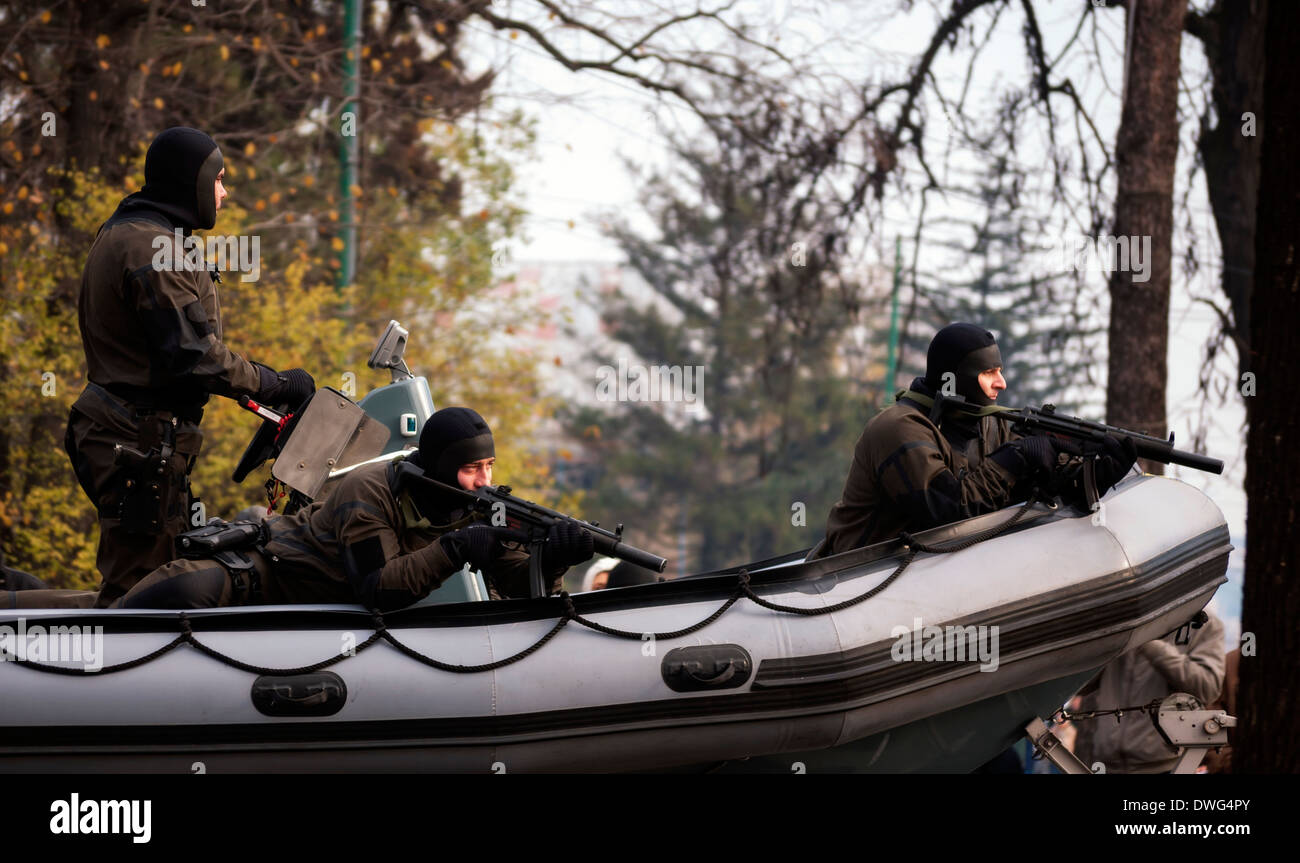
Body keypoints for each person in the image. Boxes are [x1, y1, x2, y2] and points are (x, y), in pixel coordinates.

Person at [69, 126, 314, 607]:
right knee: (145, 590)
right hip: (136, 443)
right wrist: (275, 382)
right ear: (190, 183)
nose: (224, 193)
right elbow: (193, 356)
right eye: (218, 179)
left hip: (133, 436)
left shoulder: (135, 232)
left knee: (149, 575)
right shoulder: (148, 248)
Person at [115, 407, 595, 610]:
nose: (485, 481)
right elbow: (378, 587)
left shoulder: (479, 508)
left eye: (490, 466)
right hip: (258, 579)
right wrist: (455, 549)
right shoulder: (370, 489)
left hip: (316, 611)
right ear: (443, 467)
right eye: (473, 468)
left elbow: (521, 586)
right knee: (145, 606)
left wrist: (553, 560)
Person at [814, 322, 1136, 557]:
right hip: (856, 574)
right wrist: (1016, 458)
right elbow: (949, 511)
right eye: (989, 373)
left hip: (924, 570)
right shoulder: (899, 428)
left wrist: (1097, 473)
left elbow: (1051, 483)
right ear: (957, 379)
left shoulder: (990, 424)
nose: (1002, 383)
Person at [1072, 610, 1226, 773]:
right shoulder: (1121, 622)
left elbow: (1209, 688)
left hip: (1166, 767)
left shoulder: (1205, 624)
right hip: (1105, 765)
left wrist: (1148, 642)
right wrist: (1101, 645)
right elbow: (1079, 687)